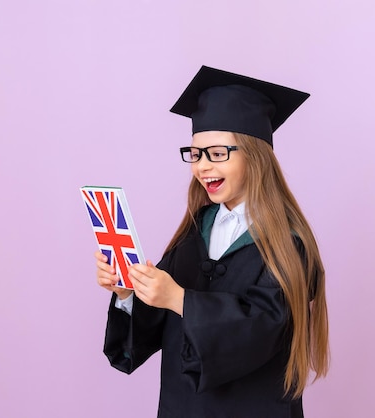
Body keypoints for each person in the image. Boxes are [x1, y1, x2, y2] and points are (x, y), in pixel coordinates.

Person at [95, 65, 329, 418]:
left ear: (256, 156)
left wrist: (179, 298)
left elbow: (264, 327)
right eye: (196, 153)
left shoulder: (287, 242)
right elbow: (156, 325)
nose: (202, 166)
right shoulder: (195, 229)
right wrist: (129, 293)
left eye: (218, 153)